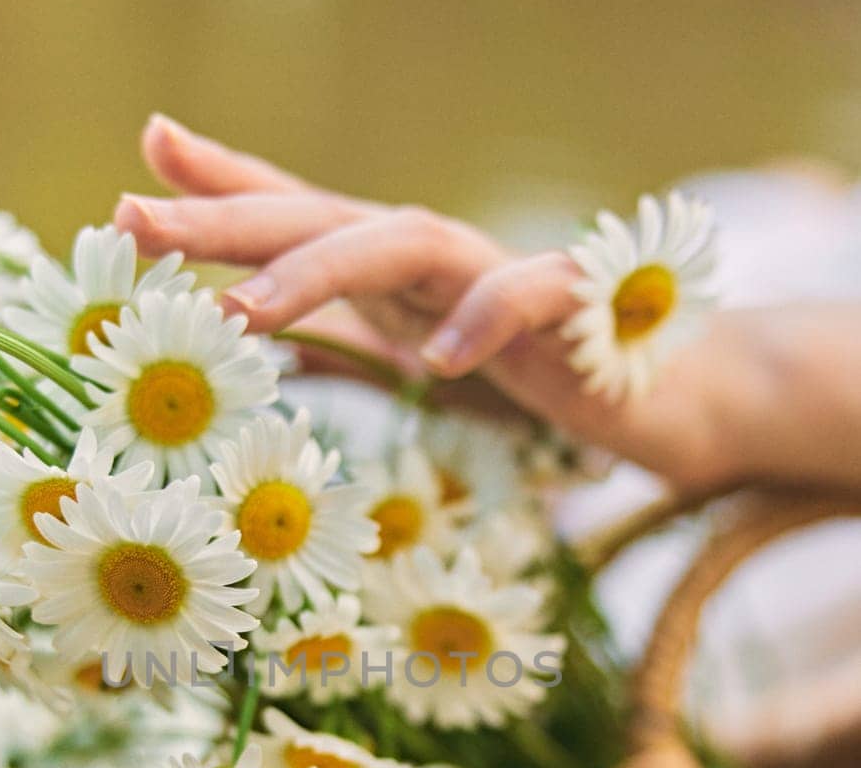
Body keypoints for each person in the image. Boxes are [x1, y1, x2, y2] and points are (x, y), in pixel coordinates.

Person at [115, 116, 861, 496]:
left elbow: (752, 381)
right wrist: (519, 396)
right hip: (508, 444)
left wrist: (688, 382)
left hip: (596, 589)